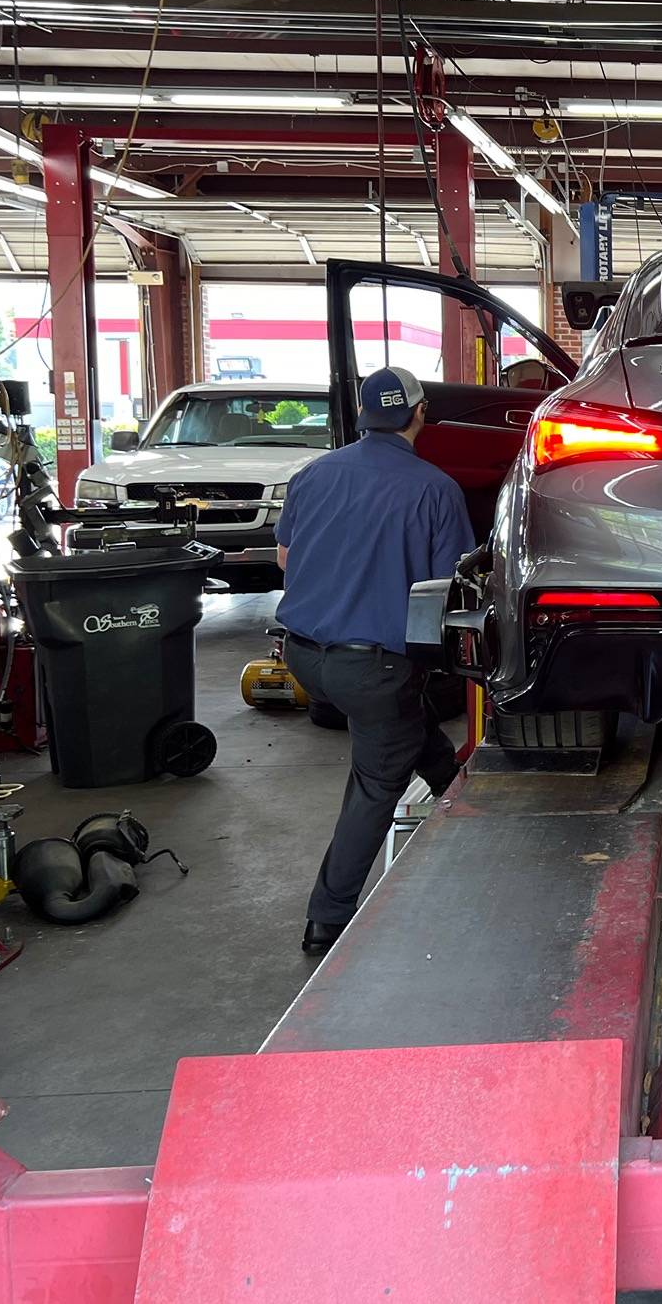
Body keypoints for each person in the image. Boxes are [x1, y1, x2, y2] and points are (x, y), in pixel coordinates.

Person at [274, 367, 472, 955]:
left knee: (403, 723)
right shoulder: (435, 488)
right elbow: (449, 587)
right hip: (373, 668)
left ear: (363, 415)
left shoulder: (312, 474)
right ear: (420, 413)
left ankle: (464, 799)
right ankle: (327, 917)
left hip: (305, 659)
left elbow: (285, 560)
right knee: (376, 778)